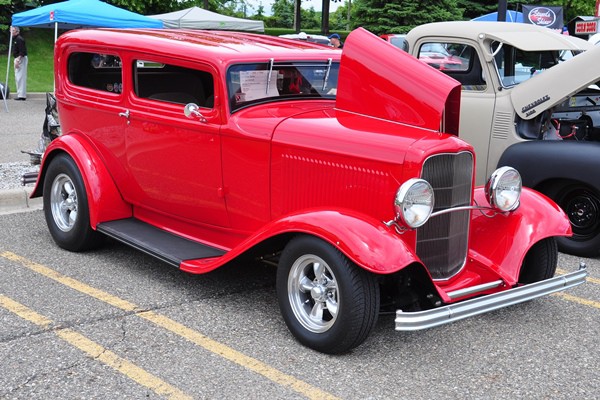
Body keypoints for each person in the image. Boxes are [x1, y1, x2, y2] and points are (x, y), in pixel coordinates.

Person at [11, 26, 28, 101]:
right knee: (18, 77)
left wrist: (18, 60)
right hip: (18, 58)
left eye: (13, 30)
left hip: (20, 58)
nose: (12, 32)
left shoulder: (19, 39)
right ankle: (20, 94)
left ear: (17, 31)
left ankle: (22, 95)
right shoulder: (15, 39)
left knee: (20, 77)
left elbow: (22, 51)